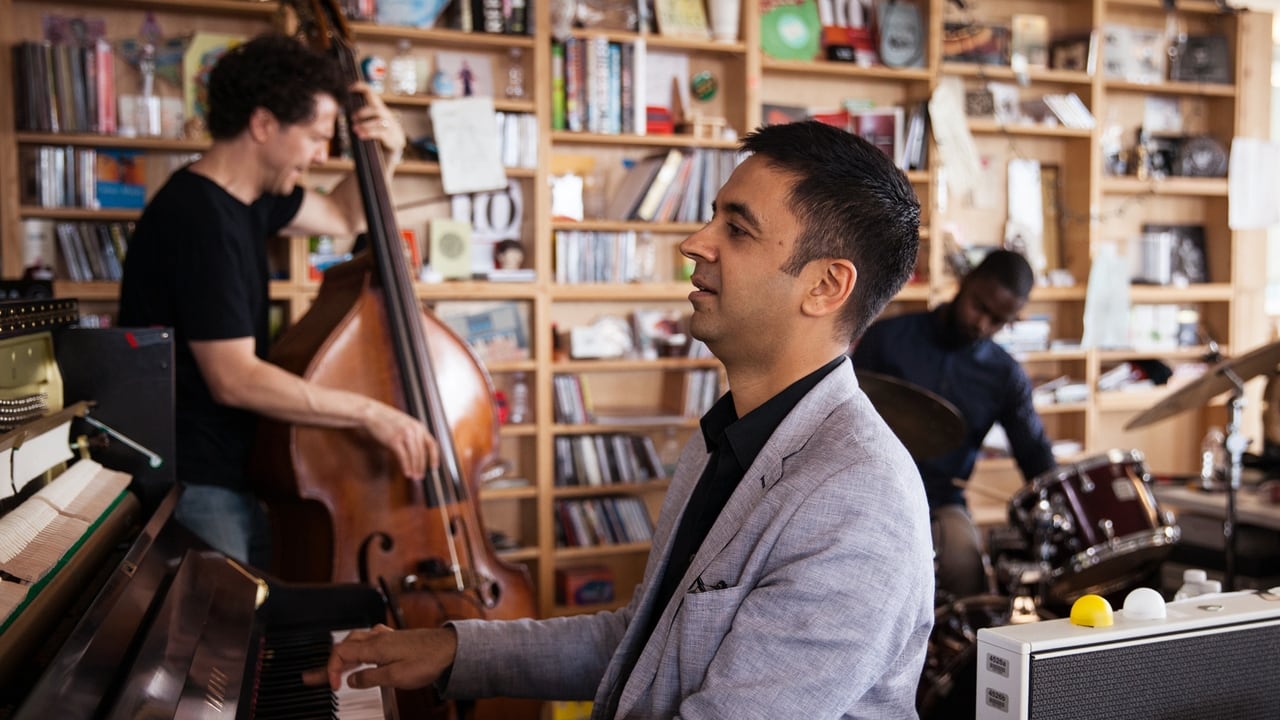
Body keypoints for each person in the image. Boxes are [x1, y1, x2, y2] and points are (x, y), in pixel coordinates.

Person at [307, 121, 934, 718]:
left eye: (736, 230)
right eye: (713, 215)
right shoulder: (725, 438)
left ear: (826, 286)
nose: (694, 242)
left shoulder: (859, 501)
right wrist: (450, 649)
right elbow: (643, 648)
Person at [118, 33, 438, 567]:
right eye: (315, 137)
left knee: (259, 632)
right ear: (263, 124)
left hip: (238, 473)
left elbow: (343, 216)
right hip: (196, 482)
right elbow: (234, 377)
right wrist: (372, 415)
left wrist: (387, 152)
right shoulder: (198, 220)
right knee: (222, 643)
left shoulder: (251, 200)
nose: (321, 154)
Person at [851, 249, 1056, 599]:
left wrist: (1057, 504)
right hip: (869, 491)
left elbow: (1034, 453)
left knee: (966, 568)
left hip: (942, 500)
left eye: (997, 321)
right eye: (979, 306)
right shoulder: (886, 340)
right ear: (966, 282)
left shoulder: (1005, 375)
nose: (982, 324)